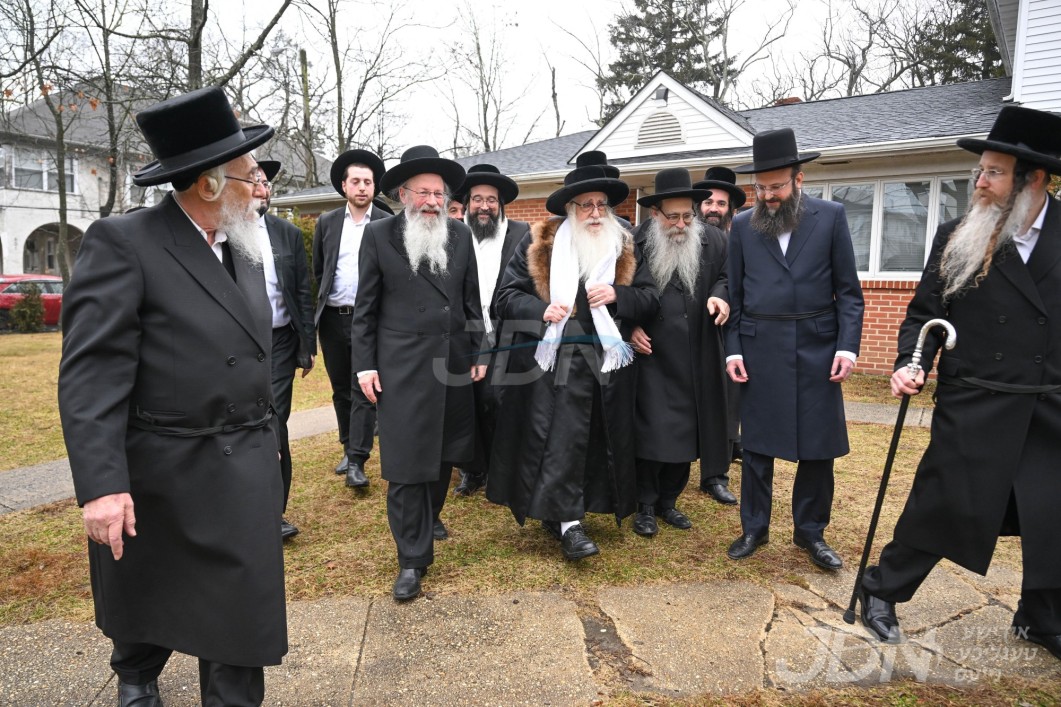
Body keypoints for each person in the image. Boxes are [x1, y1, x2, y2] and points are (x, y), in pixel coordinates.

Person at [58, 87, 286, 706]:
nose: (260, 186)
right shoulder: (124, 243)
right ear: (209, 185)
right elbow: (91, 375)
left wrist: (269, 439)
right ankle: (136, 676)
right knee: (148, 594)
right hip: (162, 471)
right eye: (249, 175)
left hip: (242, 472)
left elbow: (252, 356)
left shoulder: (243, 246)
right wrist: (102, 486)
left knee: (242, 621)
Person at [860, 106, 1061, 661]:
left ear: (1035, 180)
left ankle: (1041, 618)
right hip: (975, 399)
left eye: (994, 172)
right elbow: (924, 315)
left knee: (1051, 513)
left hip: (1047, 402)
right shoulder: (957, 235)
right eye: (981, 170)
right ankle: (881, 590)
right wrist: (911, 362)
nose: (980, 181)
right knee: (944, 503)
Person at [487, 165, 658, 560]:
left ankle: (572, 511)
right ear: (570, 208)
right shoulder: (541, 242)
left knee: (597, 443)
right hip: (554, 364)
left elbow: (650, 298)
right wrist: (541, 310)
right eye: (586, 205)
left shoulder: (625, 242)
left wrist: (618, 296)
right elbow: (505, 298)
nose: (596, 213)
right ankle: (569, 524)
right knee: (561, 442)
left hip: (607, 364)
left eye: (602, 205)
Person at [724, 128, 864, 570]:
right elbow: (734, 294)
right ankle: (754, 528)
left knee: (819, 447)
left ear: (799, 180)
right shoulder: (742, 226)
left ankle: (810, 533)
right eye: (761, 187)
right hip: (759, 348)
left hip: (819, 349)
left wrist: (847, 348)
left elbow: (850, 293)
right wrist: (733, 350)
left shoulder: (831, 216)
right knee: (757, 447)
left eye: (777, 187)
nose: (768, 196)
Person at [352, 145, 485, 600]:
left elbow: (472, 302)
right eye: (423, 192)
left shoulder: (460, 234)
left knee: (444, 456)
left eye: (438, 193)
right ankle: (411, 559)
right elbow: (365, 310)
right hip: (402, 368)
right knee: (408, 465)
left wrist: (481, 351)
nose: (432, 201)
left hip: (452, 364)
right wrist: (365, 365)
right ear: (403, 194)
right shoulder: (378, 235)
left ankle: (426, 523)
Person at [628, 168, 730, 536]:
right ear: (655, 213)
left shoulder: (714, 240)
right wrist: (629, 328)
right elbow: (618, 290)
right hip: (651, 355)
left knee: (688, 432)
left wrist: (720, 295)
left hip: (695, 352)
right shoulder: (633, 242)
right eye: (673, 217)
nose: (682, 224)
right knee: (652, 431)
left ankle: (669, 501)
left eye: (688, 215)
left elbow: (727, 276)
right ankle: (644, 504)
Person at [451, 164, 531, 497]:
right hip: (466, 332)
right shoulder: (453, 235)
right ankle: (472, 469)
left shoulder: (522, 233)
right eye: (478, 199)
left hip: (508, 332)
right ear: (467, 203)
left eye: (492, 200)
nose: (484, 206)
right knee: (468, 402)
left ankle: (504, 468)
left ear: (501, 205)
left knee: (500, 400)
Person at [312, 149, 391, 488]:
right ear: (344, 186)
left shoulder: (386, 221)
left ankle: (358, 459)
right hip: (333, 318)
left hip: (369, 319)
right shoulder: (327, 222)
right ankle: (347, 447)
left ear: (374, 187)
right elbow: (320, 270)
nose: (362, 187)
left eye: (367, 182)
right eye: (355, 181)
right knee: (340, 388)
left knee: (363, 386)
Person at [256, 160, 315, 541]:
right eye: (254, 182)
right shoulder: (219, 233)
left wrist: (307, 344)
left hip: (279, 341)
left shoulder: (286, 233)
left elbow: (302, 291)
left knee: (274, 423)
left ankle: (273, 512)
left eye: (266, 183)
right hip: (234, 345)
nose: (262, 189)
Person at [693, 165, 749, 503]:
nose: (714, 208)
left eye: (721, 203)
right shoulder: (682, 235)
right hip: (687, 332)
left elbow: (732, 279)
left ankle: (715, 475)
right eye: (708, 202)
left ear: (731, 209)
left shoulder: (742, 238)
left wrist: (723, 296)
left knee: (726, 405)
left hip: (727, 332)